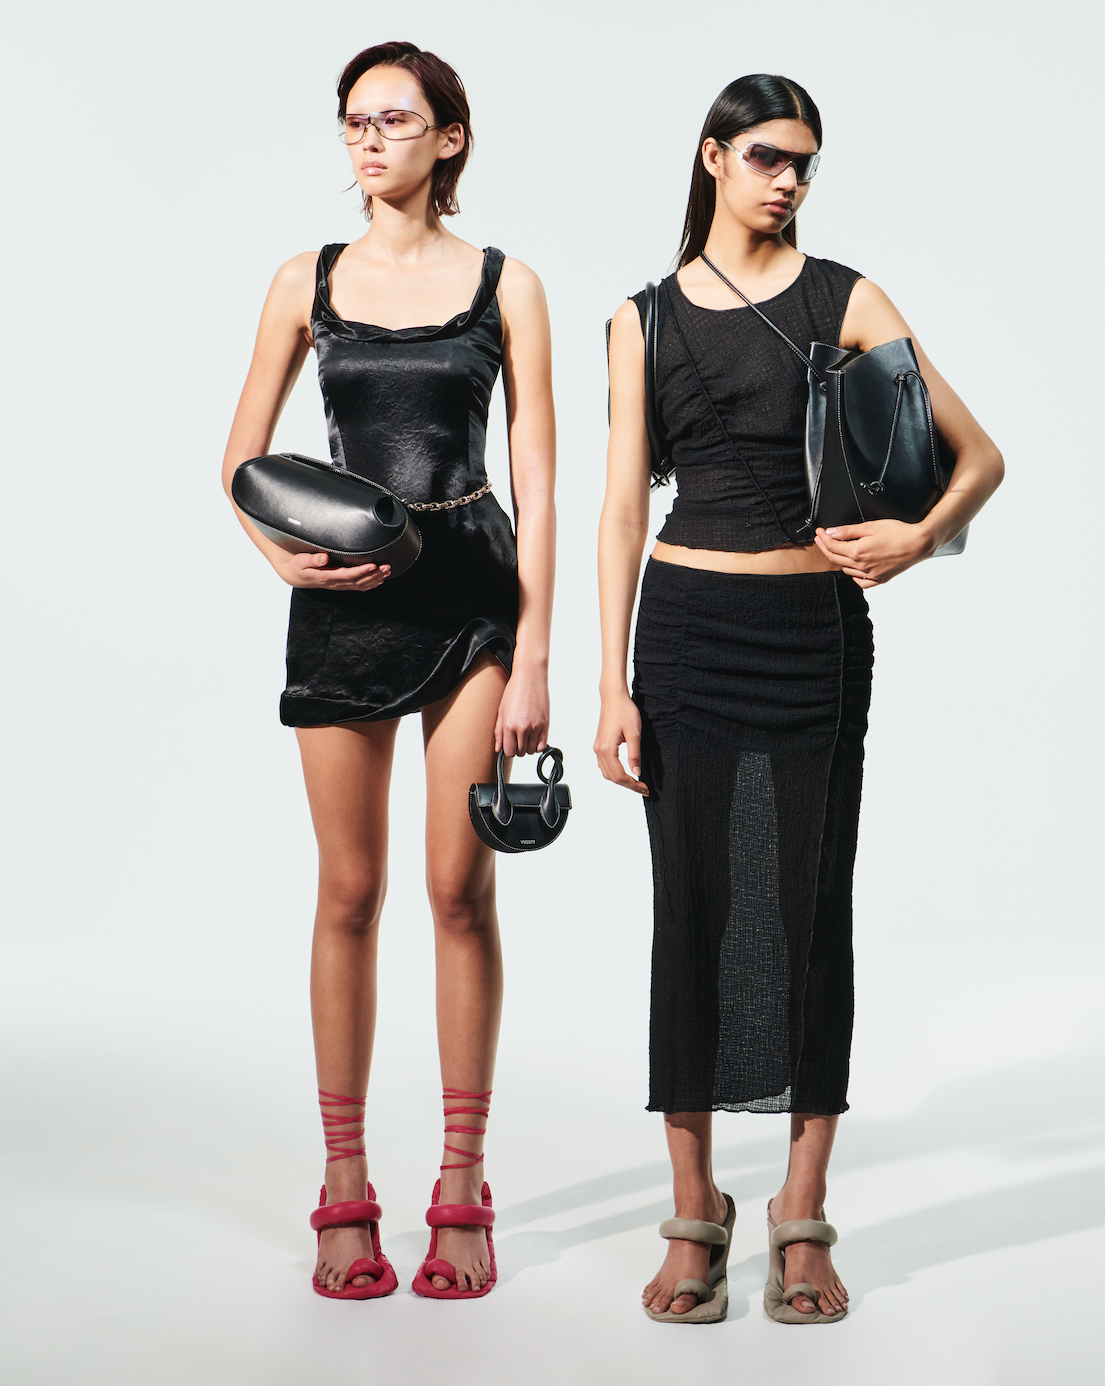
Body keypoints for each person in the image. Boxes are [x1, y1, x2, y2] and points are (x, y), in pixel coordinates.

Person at [595, 73, 1002, 1324]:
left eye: (805, 163)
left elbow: (980, 456)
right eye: (769, 155)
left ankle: (802, 1211)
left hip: (814, 638)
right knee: (694, 913)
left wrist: (915, 539)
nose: (789, 180)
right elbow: (619, 510)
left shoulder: (848, 297)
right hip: (685, 638)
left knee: (811, 909)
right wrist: (611, 684)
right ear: (712, 156)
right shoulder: (642, 318)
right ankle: (695, 1208)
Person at [222, 40, 555, 1301]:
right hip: (345, 603)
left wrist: (534, 652)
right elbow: (241, 461)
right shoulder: (302, 280)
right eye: (354, 122)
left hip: (471, 597)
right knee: (349, 891)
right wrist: (276, 557)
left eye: (396, 121)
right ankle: (345, 1180)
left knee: (459, 891)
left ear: (449, 138)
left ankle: (463, 1182)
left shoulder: (507, 283)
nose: (369, 141)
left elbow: (540, 481)